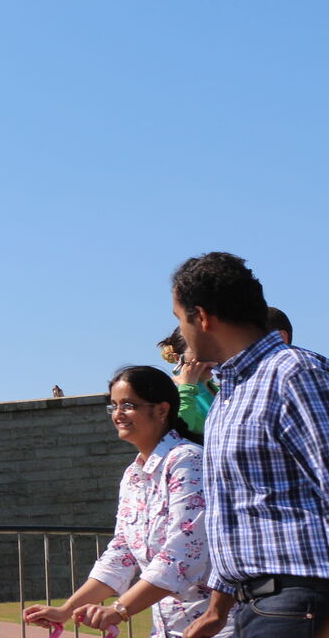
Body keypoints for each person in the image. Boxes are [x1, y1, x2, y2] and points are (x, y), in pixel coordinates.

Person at [169, 253, 329, 638]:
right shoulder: (230, 392)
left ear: (203, 317)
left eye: (179, 319)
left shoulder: (294, 373)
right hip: (257, 605)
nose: (181, 335)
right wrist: (217, 610)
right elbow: (244, 515)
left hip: (299, 599)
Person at [23, 367, 221, 638]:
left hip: (219, 627)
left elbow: (182, 555)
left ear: (162, 410)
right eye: (114, 406)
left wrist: (119, 610)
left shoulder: (188, 461)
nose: (117, 414)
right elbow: (122, 553)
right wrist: (66, 610)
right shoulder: (133, 475)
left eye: (128, 405)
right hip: (168, 628)